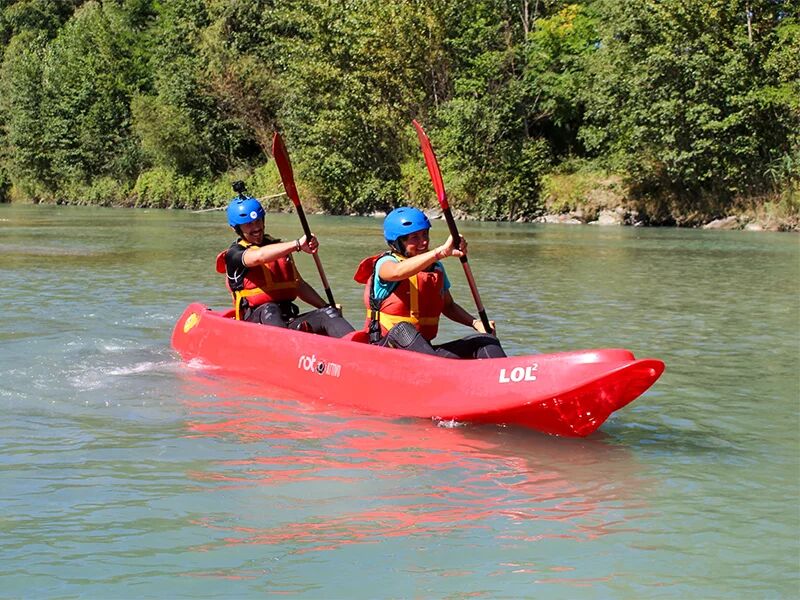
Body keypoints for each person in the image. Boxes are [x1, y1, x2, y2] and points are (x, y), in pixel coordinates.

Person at [353, 206, 505, 359]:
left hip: (425, 354)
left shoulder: (435, 268)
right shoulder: (386, 262)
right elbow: (396, 272)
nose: (424, 242)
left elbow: (448, 306)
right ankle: (438, 370)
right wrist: (440, 253)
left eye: (425, 234)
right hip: (384, 350)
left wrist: (475, 323)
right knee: (403, 330)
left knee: (486, 341)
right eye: (415, 238)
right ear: (397, 243)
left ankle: (505, 375)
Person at [217, 185, 355, 338]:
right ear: (236, 228)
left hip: (287, 321)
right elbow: (258, 257)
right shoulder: (234, 254)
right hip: (254, 324)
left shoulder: (277, 248)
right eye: (249, 224)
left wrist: (326, 306)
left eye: (258, 221)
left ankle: (360, 349)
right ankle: (286, 349)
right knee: (270, 308)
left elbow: (299, 286)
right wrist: (297, 245)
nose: (256, 227)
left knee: (328, 314)